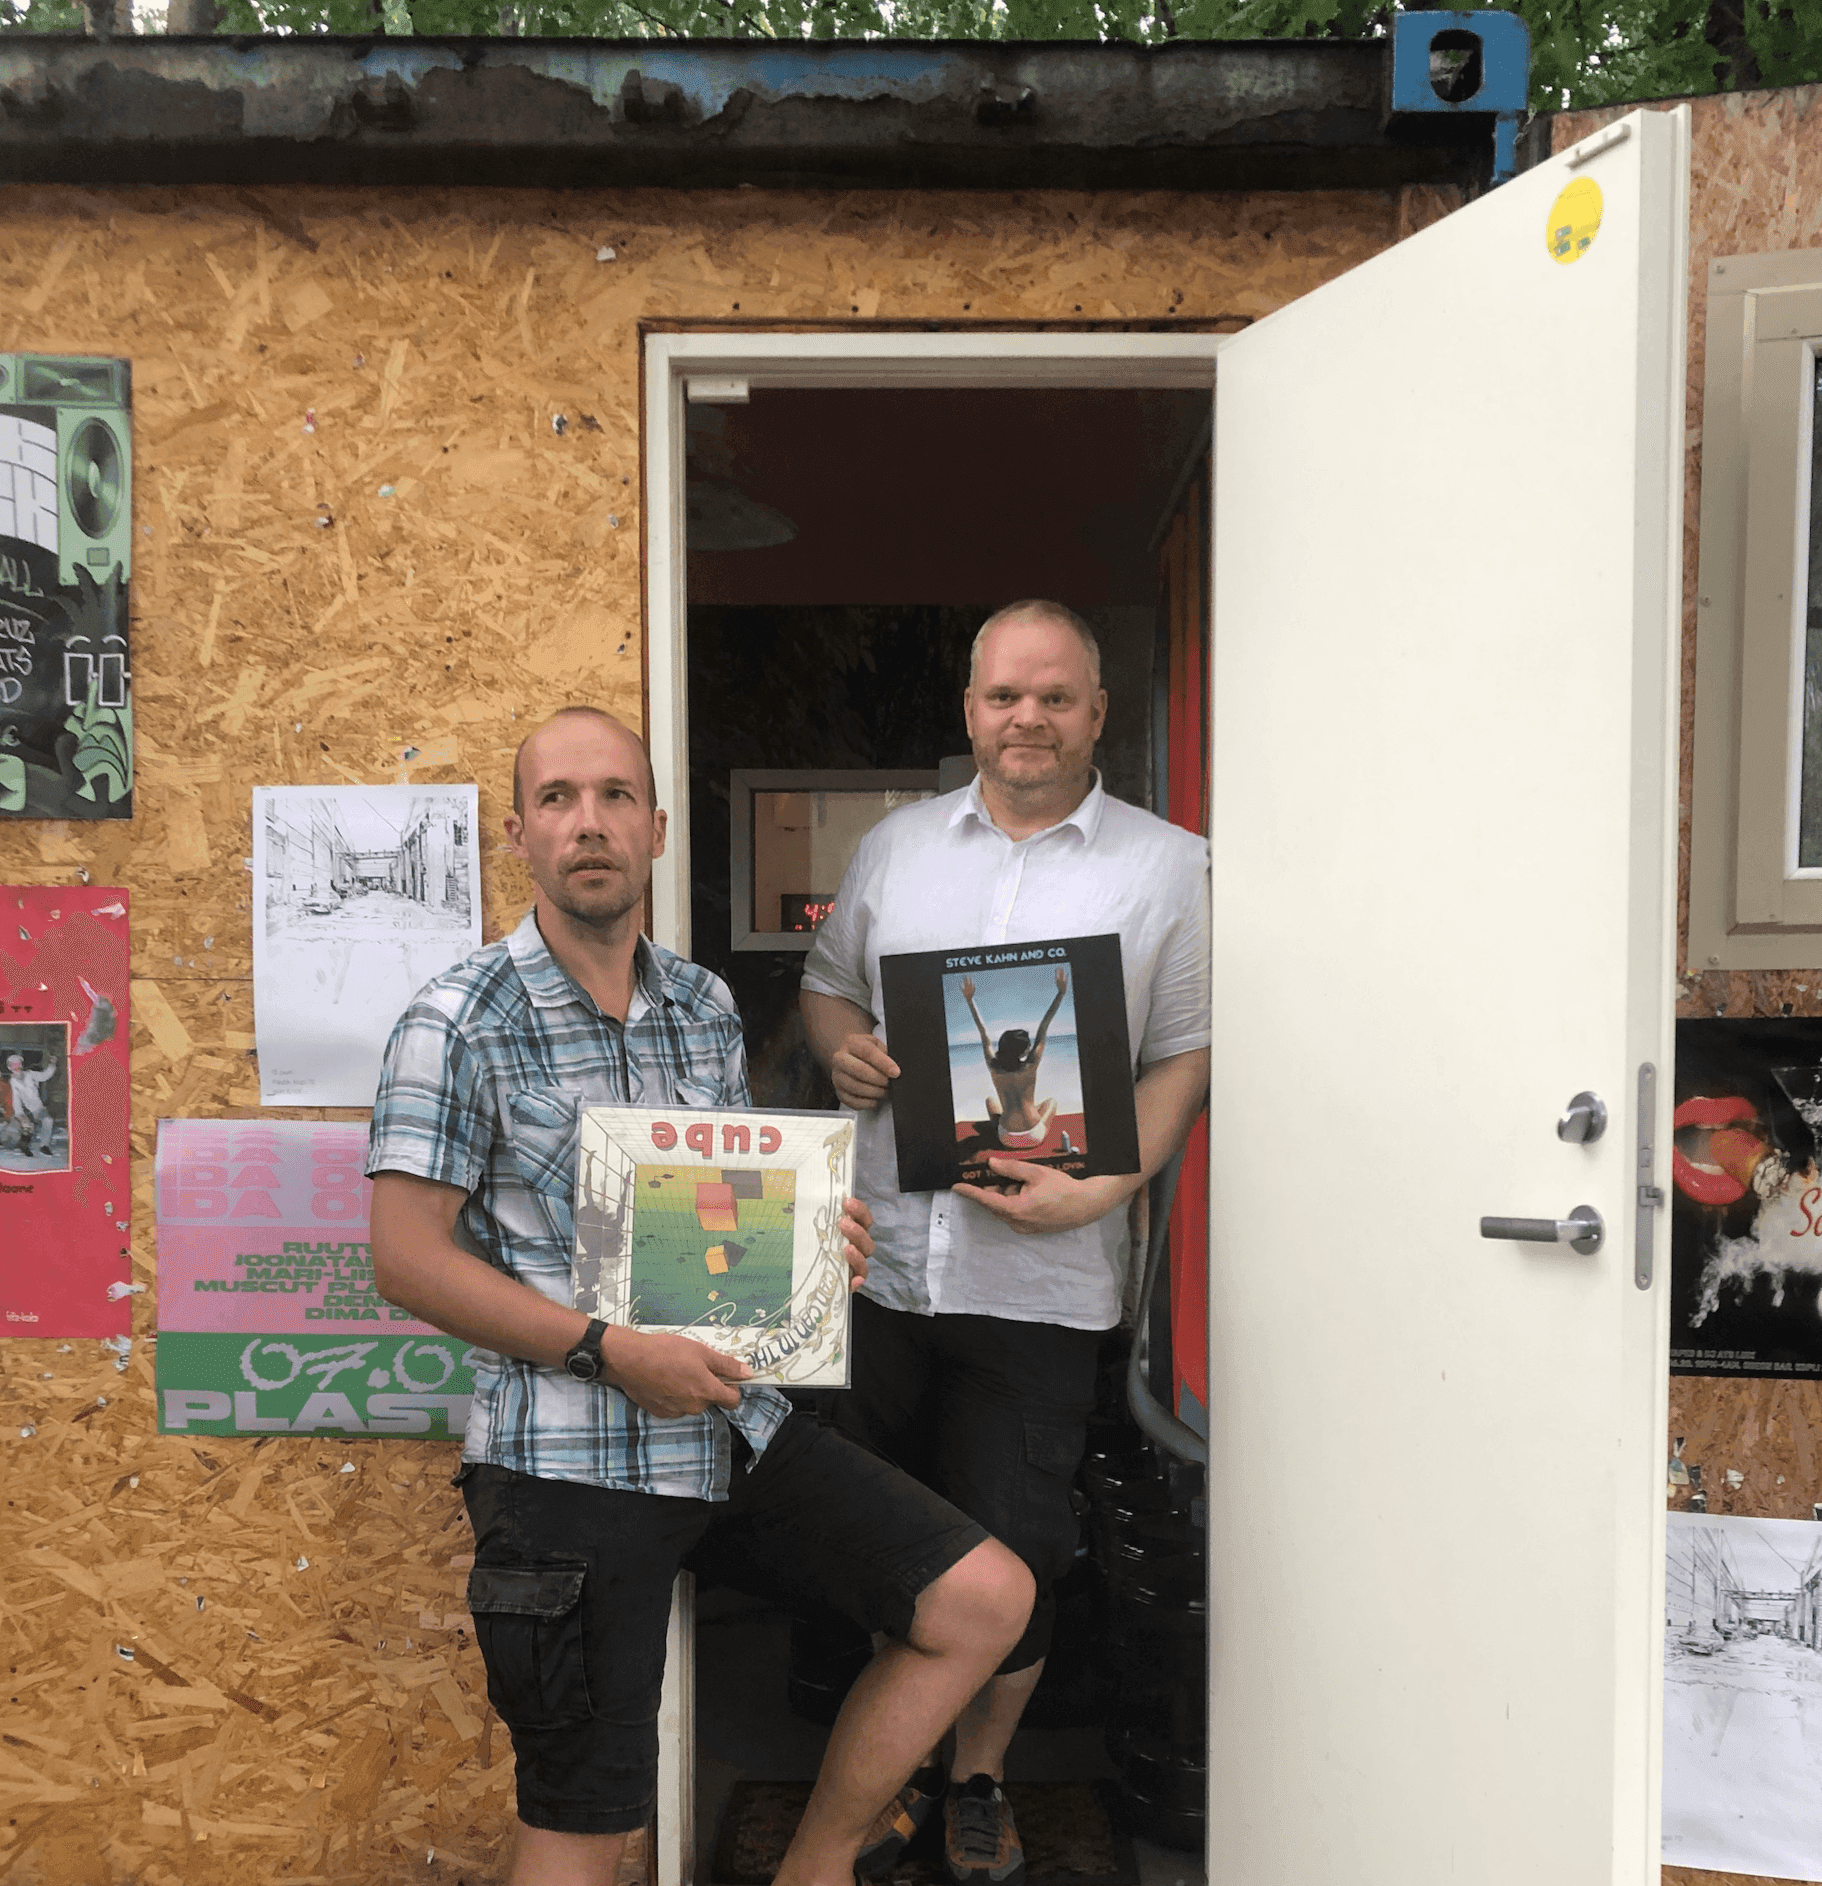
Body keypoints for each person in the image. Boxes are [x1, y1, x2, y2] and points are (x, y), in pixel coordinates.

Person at [366, 705, 1034, 1886]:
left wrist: (812, 1245)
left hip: (726, 1424)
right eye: (558, 797)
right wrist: (606, 1347)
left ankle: (813, 1867)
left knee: (982, 1597)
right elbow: (406, 1257)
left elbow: (715, 1221)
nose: (588, 822)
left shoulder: (702, 1005)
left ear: (657, 829)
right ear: (518, 831)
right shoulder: (458, 1019)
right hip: (567, 1462)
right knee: (586, 1831)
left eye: (615, 796)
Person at [800, 602, 1211, 1886]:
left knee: (1016, 1557)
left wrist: (1107, 1187)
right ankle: (892, 1774)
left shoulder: (1171, 868)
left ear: (1097, 711)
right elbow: (827, 986)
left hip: (1039, 1284)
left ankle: (974, 1776)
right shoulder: (894, 847)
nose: (1026, 718)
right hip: (875, 1267)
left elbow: (1183, 1052)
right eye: (1002, 695)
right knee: (878, 1552)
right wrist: (841, 1049)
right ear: (970, 708)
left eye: (1054, 696)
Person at [959, 968, 1068, 1150]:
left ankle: (1007, 1126)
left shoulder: (994, 1067)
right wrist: (1061, 993)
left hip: (1006, 1138)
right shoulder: (1030, 1065)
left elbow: (984, 1034)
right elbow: (1044, 1026)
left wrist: (970, 1000)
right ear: (1024, 1051)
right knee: (1051, 1102)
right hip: (1034, 1136)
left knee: (990, 1101)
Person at [6, 1050, 57, 1157]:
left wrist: (52, 1064)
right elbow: (16, 1100)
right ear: (10, 1068)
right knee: (25, 1127)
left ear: (21, 1065)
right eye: (14, 1064)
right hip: (24, 1111)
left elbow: (45, 1076)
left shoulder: (30, 1074)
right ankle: (24, 1146)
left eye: (18, 1063)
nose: (17, 1066)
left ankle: (44, 1146)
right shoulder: (12, 1082)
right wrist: (20, 1115)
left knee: (48, 1120)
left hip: (38, 1108)